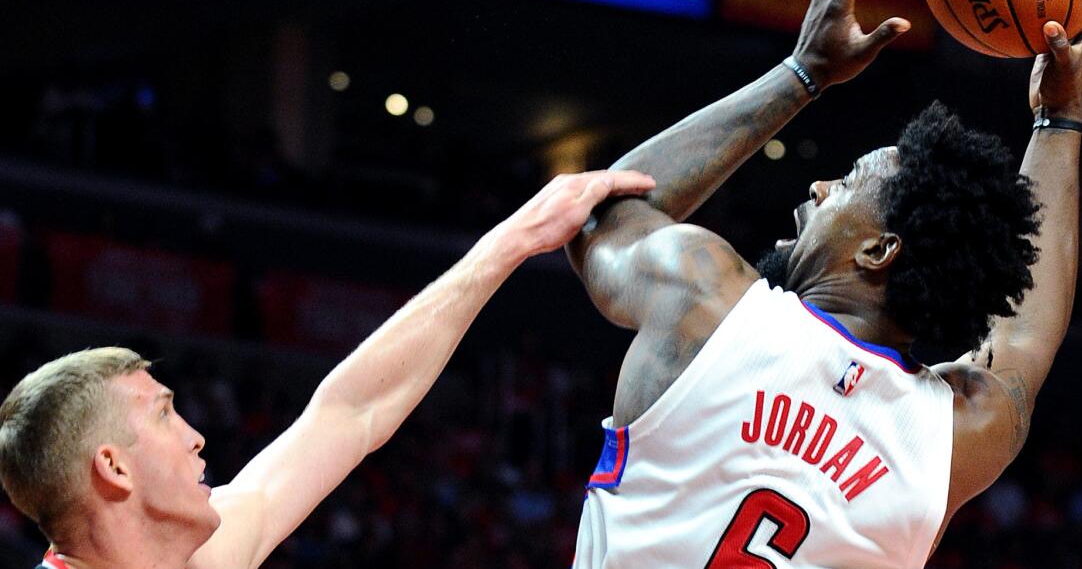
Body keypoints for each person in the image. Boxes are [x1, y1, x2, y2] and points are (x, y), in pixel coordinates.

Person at [567, 0, 1082, 568]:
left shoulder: (708, 302)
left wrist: (803, 73)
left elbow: (600, 213)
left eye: (848, 181)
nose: (821, 188)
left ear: (879, 251)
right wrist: (1061, 118)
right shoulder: (950, 435)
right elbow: (1024, 340)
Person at [0, 168, 656, 569]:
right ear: (113, 466)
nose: (197, 435)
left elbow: (350, 410)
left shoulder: (202, 554)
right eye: (165, 413)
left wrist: (515, 238)